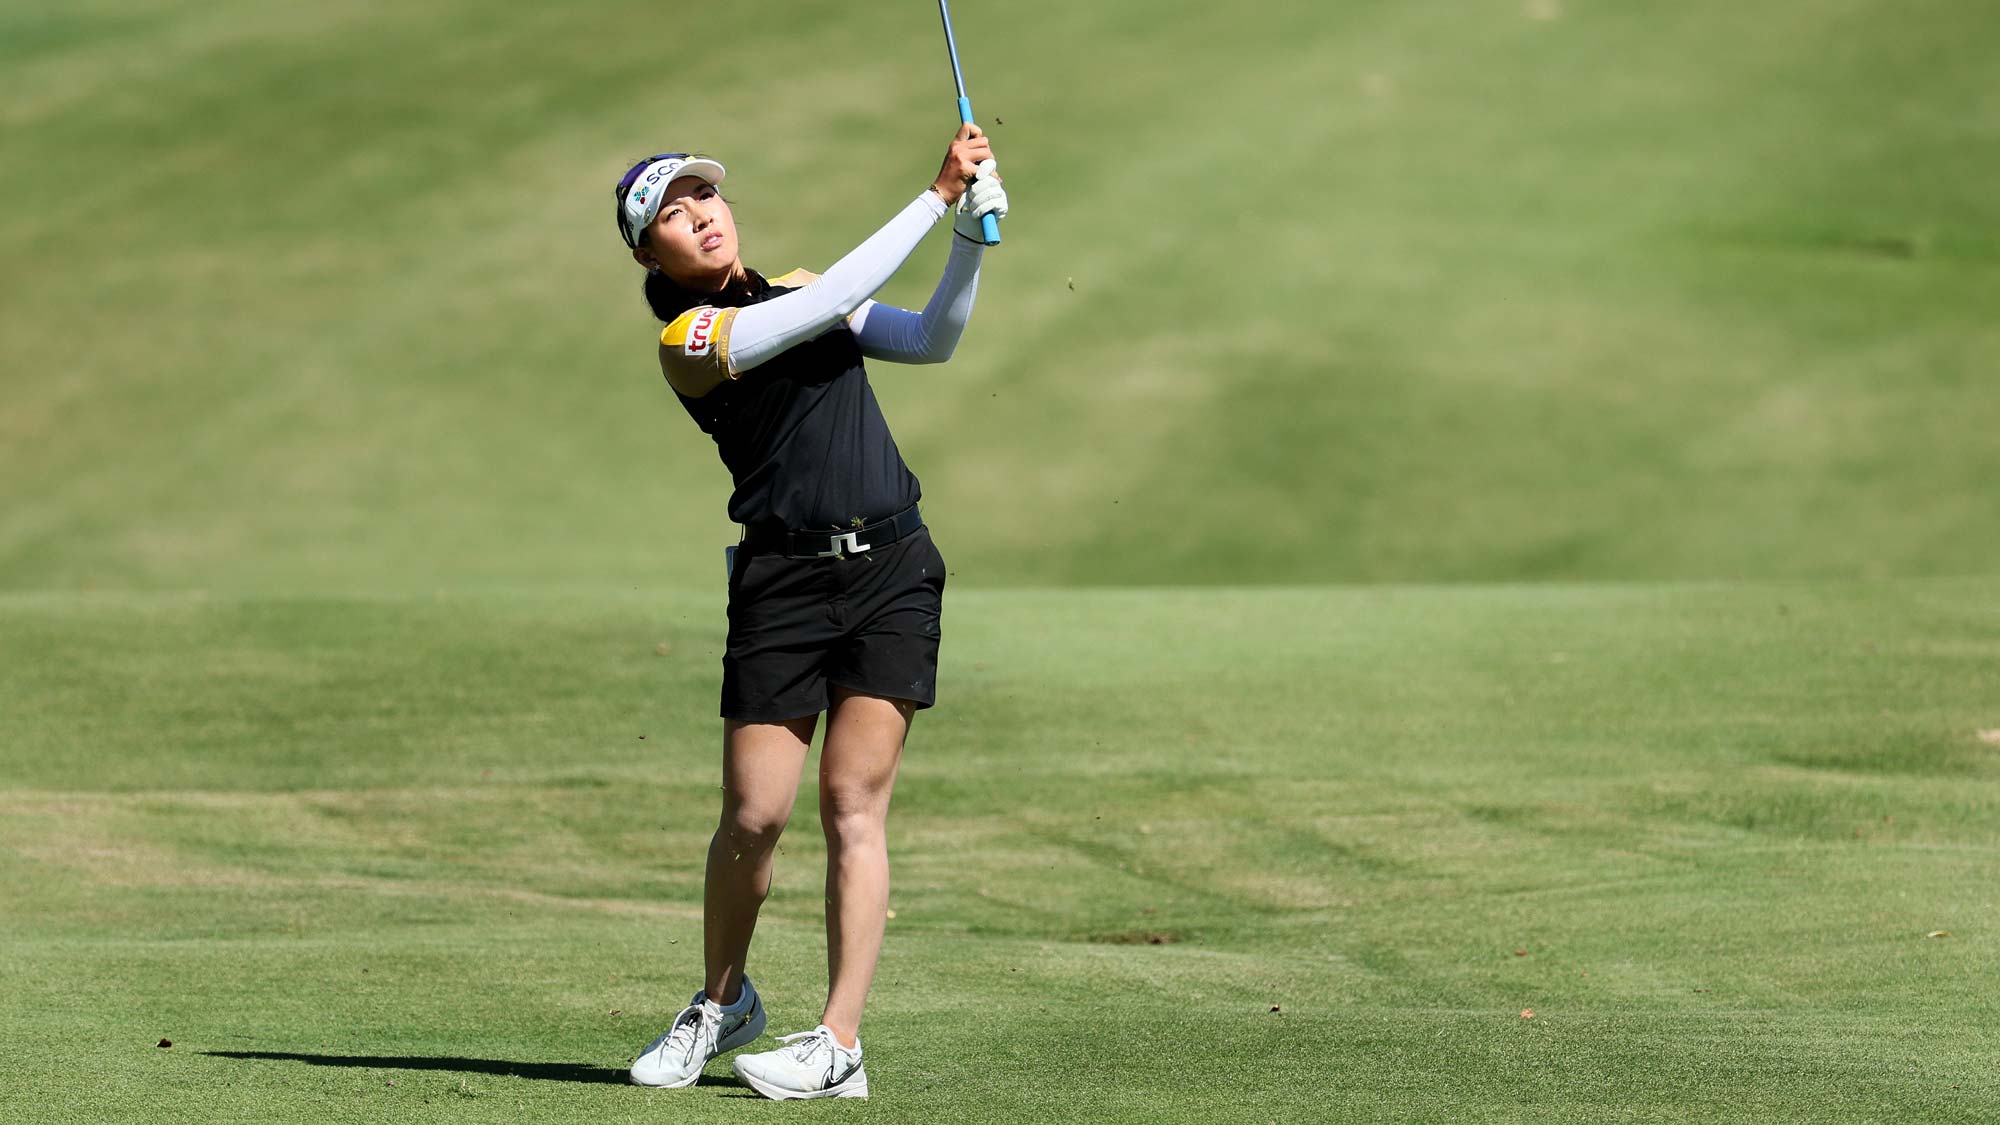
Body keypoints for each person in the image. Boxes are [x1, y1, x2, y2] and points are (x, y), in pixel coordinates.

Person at [613, 125, 1007, 1101]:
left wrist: (966, 240)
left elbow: (931, 338)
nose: (699, 214)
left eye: (704, 195)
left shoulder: (796, 284)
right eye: (671, 211)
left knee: (851, 808)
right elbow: (823, 308)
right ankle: (721, 1002)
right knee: (753, 815)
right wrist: (933, 195)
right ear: (647, 254)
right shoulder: (690, 341)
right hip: (782, 585)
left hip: (891, 568)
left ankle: (838, 1043)